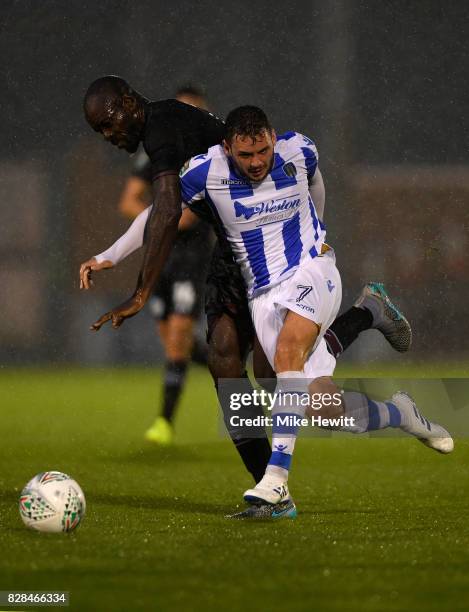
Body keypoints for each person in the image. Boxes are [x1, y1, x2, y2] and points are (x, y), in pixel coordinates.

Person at [81, 76, 413, 508]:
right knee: (229, 365)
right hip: (233, 255)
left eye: (109, 123)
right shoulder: (170, 138)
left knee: (276, 374)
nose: (109, 135)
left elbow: (165, 208)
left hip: (261, 258)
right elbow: (158, 209)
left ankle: (364, 317)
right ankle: (270, 487)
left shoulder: (163, 131)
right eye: (99, 130)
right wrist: (110, 254)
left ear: (128, 103)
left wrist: (139, 292)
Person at [179, 105, 453, 518]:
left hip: (313, 270)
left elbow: (314, 181)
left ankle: (275, 480)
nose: (256, 163)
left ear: (272, 138)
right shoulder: (202, 173)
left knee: (288, 354)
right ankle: (401, 412)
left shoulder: (299, 149)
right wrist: (115, 256)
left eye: (263, 152)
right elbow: (158, 212)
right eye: (245, 155)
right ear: (227, 148)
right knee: (323, 410)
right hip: (263, 296)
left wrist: (317, 233)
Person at [117, 85, 212, 445]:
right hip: (160, 256)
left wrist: (183, 215)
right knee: (179, 345)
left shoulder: (211, 155)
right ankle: (231, 372)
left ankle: (164, 422)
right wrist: (161, 216)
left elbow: (200, 215)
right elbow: (128, 201)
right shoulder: (155, 152)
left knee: (177, 341)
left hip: (192, 258)